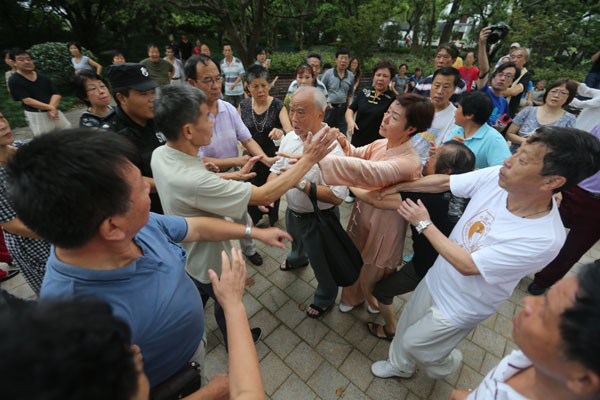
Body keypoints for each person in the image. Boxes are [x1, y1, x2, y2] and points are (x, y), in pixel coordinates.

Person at [6, 128, 281, 393]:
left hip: (192, 349)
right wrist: (211, 393)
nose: (151, 190)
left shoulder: (136, 225)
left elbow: (194, 227)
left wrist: (253, 231)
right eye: (142, 188)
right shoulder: (83, 324)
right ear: (112, 228)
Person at [370, 126, 600, 381]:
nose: (508, 161)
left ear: (552, 182)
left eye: (522, 160)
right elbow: (445, 182)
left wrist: (423, 223)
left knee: (418, 345)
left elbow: (468, 265)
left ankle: (444, 363)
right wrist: (397, 186)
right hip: (437, 277)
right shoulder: (499, 177)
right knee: (406, 328)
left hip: (463, 304)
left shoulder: (544, 238)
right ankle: (399, 366)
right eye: (518, 151)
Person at [152, 84, 338, 323]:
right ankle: (234, 336)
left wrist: (231, 175)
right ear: (188, 131)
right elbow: (264, 196)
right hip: (215, 263)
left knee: (199, 294)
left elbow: (193, 183)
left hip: (191, 256)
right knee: (227, 307)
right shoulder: (196, 181)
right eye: (206, 116)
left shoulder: (161, 154)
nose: (212, 121)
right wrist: (309, 159)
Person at [320, 94, 432, 314]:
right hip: (363, 213)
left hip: (386, 223)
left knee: (375, 265)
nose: (386, 118)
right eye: (388, 111)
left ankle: (372, 299)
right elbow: (356, 155)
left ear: (411, 129)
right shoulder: (382, 143)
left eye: (395, 116)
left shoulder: (410, 162)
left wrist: (316, 159)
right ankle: (352, 297)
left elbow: (369, 173)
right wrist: (343, 141)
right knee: (354, 256)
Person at [350, 141, 474, 340]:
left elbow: (375, 199)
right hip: (458, 270)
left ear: (447, 170)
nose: (426, 159)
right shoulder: (469, 189)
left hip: (428, 267)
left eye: (433, 157)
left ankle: (391, 330)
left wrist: (346, 182)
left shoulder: (426, 195)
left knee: (382, 292)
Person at [450, 261, 600, 400]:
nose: (527, 301)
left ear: (582, 380)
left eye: (544, 313)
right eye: (546, 297)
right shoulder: (541, 358)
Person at [185, 54, 280, 265]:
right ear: (192, 83)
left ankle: (249, 249)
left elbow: (246, 138)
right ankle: (221, 264)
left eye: (218, 78)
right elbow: (198, 159)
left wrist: (266, 160)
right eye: (208, 80)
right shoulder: (188, 116)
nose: (216, 85)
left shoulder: (227, 108)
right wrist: (237, 162)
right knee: (215, 227)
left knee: (241, 217)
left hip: (235, 178)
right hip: (208, 182)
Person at [270, 86, 346, 319]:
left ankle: (325, 296)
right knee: (295, 242)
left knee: (321, 262)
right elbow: (276, 167)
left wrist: (299, 183)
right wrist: (268, 193)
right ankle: (297, 259)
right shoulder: (290, 137)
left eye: (301, 112)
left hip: (319, 219)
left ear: (320, 115)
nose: (293, 118)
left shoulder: (332, 147)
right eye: (291, 111)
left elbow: (337, 195)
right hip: (293, 212)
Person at [527, 123, 600, 296]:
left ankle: (544, 280)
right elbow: (582, 155)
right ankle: (514, 265)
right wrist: (561, 185)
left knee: (574, 248)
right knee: (534, 225)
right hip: (574, 189)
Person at [0, 111, 49, 294]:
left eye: (2, 118)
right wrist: (63, 233)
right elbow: (12, 225)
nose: (3, 125)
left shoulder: (25, 148)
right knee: (59, 294)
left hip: (60, 223)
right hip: (34, 240)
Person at [106, 62, 166, 214]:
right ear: (122, 98)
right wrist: (175, 183)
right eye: (144, 94)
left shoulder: (160, 118)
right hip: (144, 215)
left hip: (172, 203)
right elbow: (127, 181)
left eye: (153, 92)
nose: (152, 99)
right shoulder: (111, 136)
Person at [239, 65, 292, 226]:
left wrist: (280, 132)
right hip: (251, 158)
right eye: (255, 86)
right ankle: (253, 220)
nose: (261, 90)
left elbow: (289, 129)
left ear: (269, 85)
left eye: (264, 85)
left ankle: (272, 218)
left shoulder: (277, 105)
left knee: (271, 192)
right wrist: (238, 143)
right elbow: (237, 130)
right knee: (251, 191)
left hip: (271, 157)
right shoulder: (244, 106)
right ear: (248, 87)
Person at [7, 48, 71, 136]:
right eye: (21, 60)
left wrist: (51, 108)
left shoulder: (43, 77)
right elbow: (27, 100)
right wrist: (50, 108)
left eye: (28, 59)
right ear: (14, 63)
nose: (27, 62)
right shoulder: (14, 80)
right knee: (46, 141)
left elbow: (56, 94)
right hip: (37, 115)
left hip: (54, 112)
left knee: (68, 134)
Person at [506, 78, 576, 153]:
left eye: (562, 93)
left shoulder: (569, 119)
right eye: (553, 91)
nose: (556, 95)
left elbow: (567, 146)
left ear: (569, 97)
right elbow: (509, 134)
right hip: (516, 156)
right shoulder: (528, 111)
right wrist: (528, 141)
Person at [445, 91, 511, 169]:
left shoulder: (494, 140)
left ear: (469, 115)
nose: (455, 111)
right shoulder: (458, 130)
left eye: (458, 107)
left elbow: (503, 171)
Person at [412, 67, 460, 167]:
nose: (439, 91)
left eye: (446, 87)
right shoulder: (418, 107)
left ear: (454, 89)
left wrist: (440, 151)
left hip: (427, 167)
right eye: (436, 85)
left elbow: (447, 149)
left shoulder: (456, 117)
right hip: (404, 158)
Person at [346, 60, 396, 147]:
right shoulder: (364, 92)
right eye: (378, 75)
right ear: (374, 76)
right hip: (357, 140)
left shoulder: (393, 98)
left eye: (385, 76)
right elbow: (350, 109)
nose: (380, 78)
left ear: (390, 79)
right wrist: (350, 121)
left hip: (377, 144)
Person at [476, 27, 520, 128]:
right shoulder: (483, 91)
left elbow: (503, 124)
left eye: (508, 76)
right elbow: (484, 69)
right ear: (494, 77)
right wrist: (482, 44)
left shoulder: (504, 103)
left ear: (511, 82)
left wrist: (498, 128)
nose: (503, 78)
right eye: (500, 74)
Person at [320, 48, 355, 133]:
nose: (343, 61)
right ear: (336, 60)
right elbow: (321, 90)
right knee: (325, 133)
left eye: (346, 59)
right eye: (341, 58)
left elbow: (350, 94)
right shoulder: (328, 73)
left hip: (343, 109)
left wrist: (349, 106)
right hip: (329, 109)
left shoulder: (350, 76)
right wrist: (326, 104)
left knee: (341, 134)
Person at [505, 47, 533, 117]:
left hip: (508, 110)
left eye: (519, 57)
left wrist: (493, 91)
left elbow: (514, 92)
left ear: (525, 60)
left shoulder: (526, 74)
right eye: (513, 57)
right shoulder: (503, 70)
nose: (515, 60)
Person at [220, 43, 245, 108]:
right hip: (228, 92)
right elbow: (222, 76)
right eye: (226, 50)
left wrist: (234, 84)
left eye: (229, 50)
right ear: (223, 52)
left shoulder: (237, 61)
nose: (227, 52)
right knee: (230, 111)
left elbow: (242, 74)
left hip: (238, 91)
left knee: (240, 111)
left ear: (232, 51)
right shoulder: (222, 63)